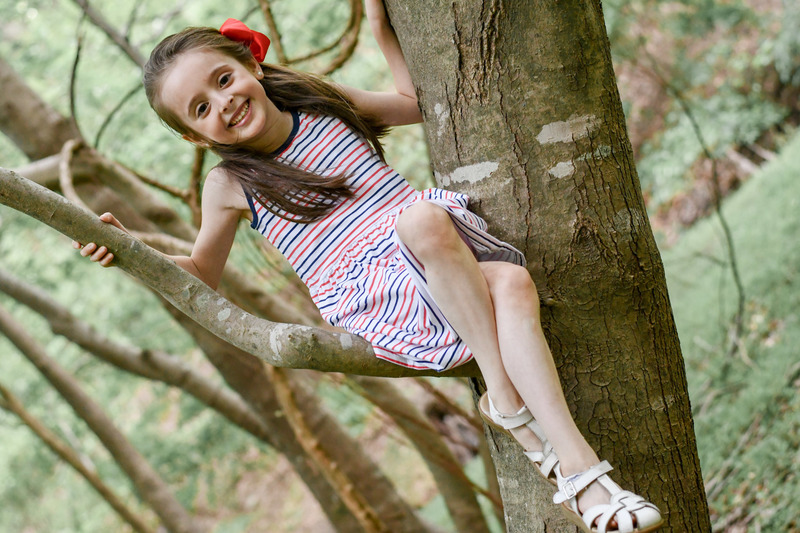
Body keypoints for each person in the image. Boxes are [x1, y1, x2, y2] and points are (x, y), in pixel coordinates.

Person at [74, 3, 663, 532]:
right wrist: (130, 253)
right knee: (421, 221)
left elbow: (412, 106)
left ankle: (583, 476)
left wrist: (382, 30)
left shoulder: (323, 105)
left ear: (248, 65)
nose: (223, 103)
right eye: (201, 108)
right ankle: (507, 397)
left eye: (223, 79)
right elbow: (200, 271)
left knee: (508, 278)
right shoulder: (229, 184)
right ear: (195, 136)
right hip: (376, 297)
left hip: (437, 259)